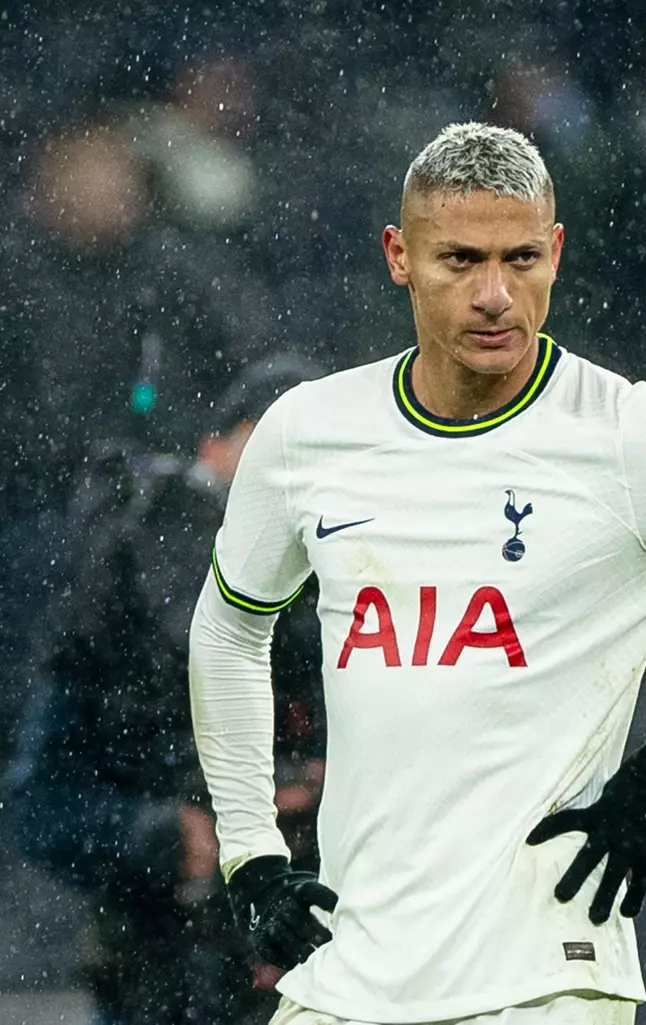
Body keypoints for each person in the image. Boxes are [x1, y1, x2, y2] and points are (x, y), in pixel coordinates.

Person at [187, 122, 646, 1025]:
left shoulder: (629, 437)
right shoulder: (308, 433)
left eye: (522, 257)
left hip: (545, 981)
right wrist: (251, 851)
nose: (497, 294)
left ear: (557, 252)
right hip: (346, 975)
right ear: (398, 256)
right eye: (460, 259)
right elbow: (227, 628)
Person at [4, 354, 324, 1025]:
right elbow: (36, 797)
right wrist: (157, 834)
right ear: (214, 447)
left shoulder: (371, 585)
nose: (291, 475)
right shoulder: (120, 593)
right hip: (162, 972)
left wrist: (327, 799)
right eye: (269, 444)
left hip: (332, 970)